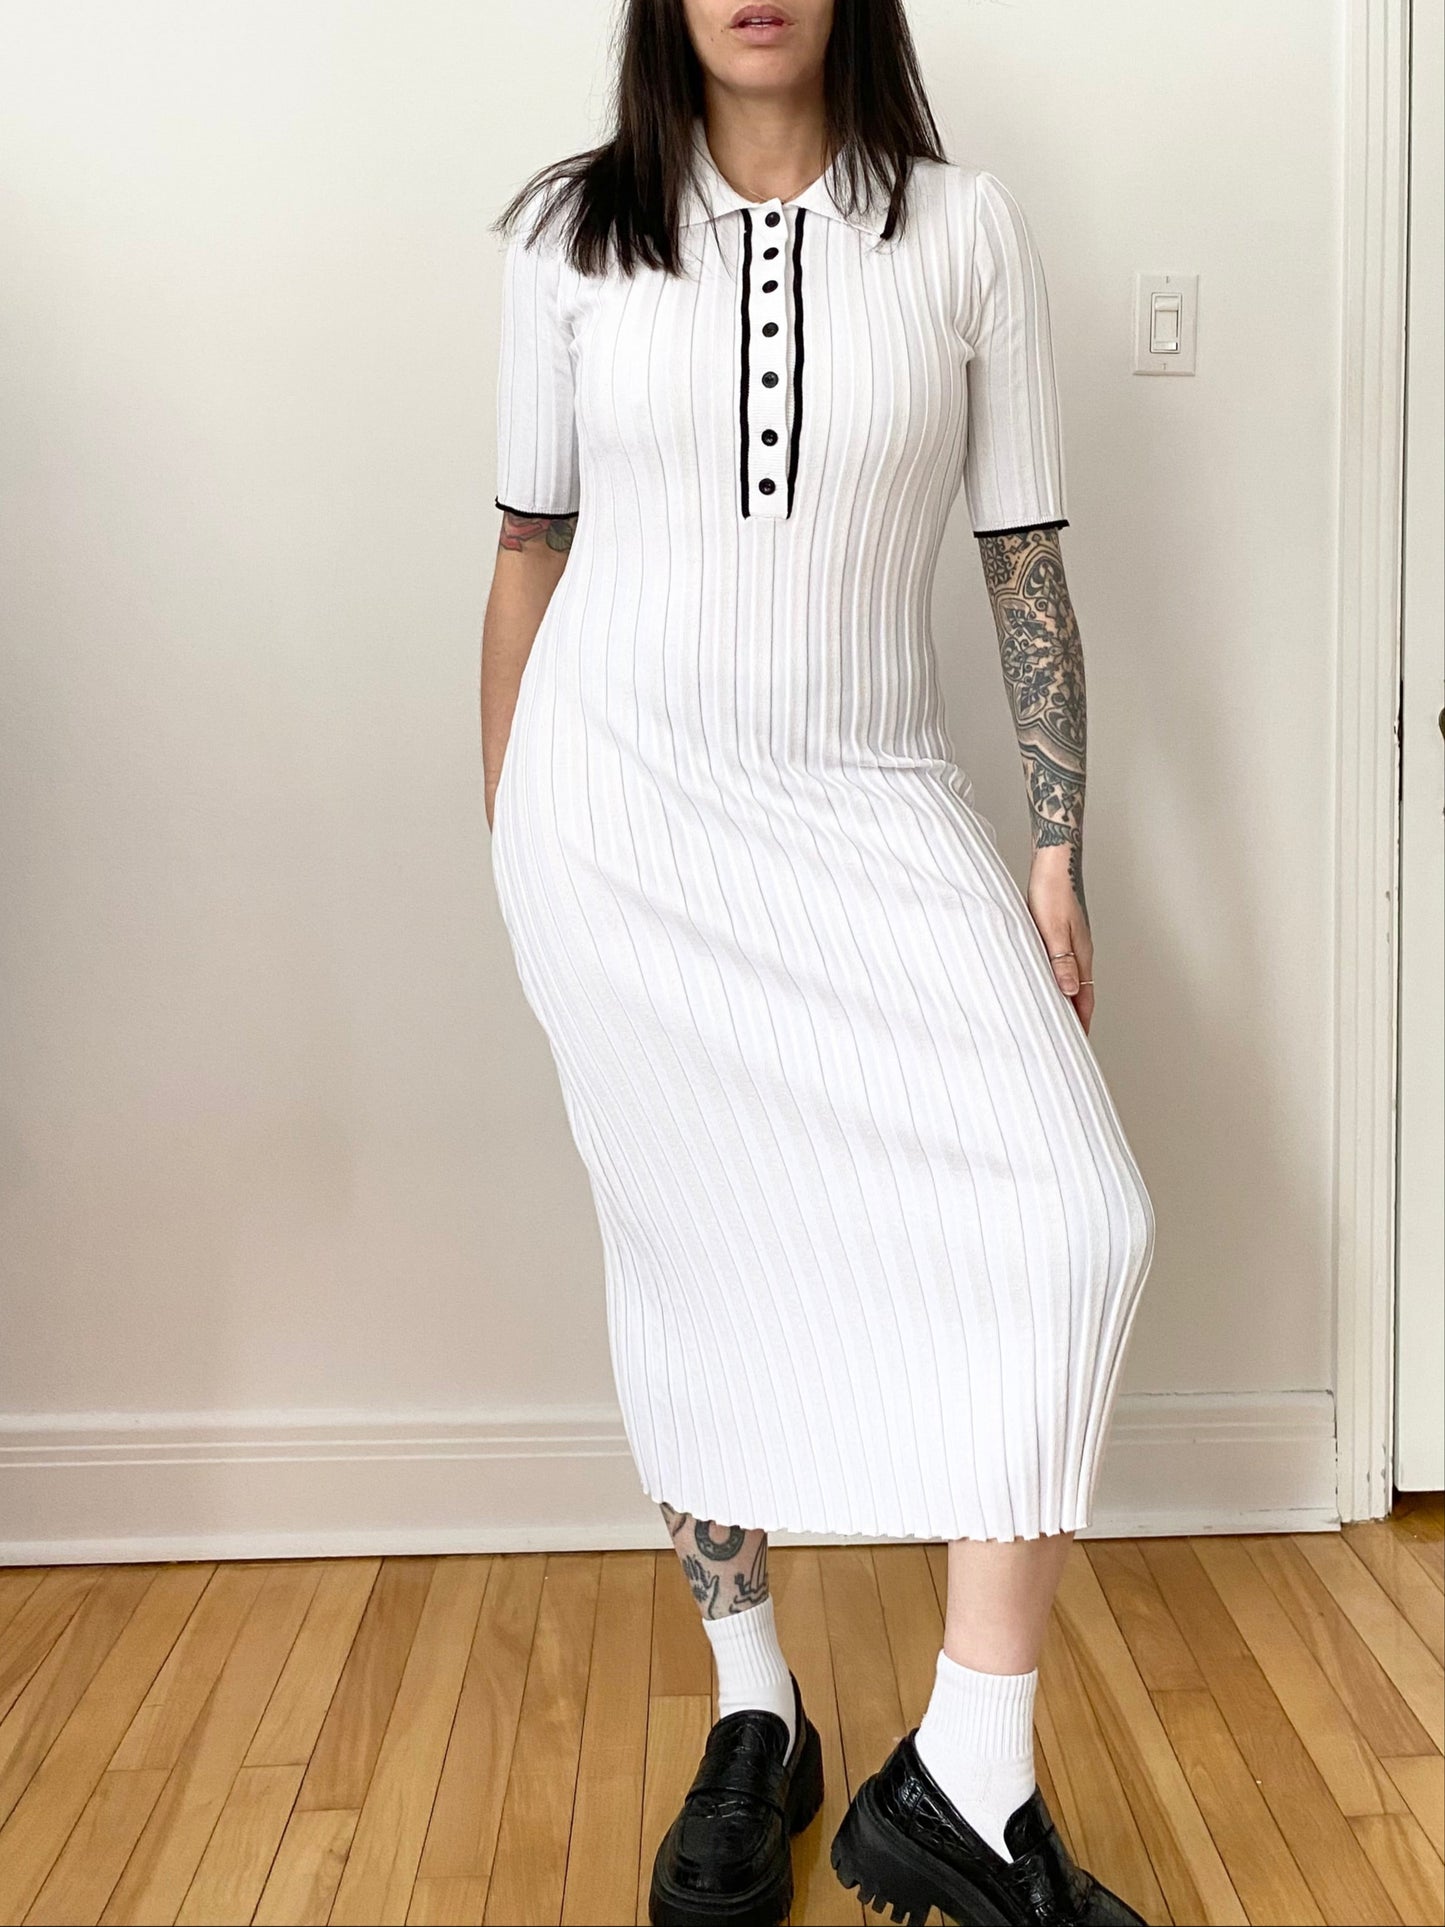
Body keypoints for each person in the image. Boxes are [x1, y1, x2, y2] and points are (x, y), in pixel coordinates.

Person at [481, 2, 1157, 1922]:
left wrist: (1055, 846)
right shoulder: (566, 236)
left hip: (870, 800)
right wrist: (515, 847)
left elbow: (1022, 565)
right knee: (686, 1254)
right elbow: (526, 550)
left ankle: (967, 1768)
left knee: (1073, 1222)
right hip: (616, 826)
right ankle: (752, 1707)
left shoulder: (960, 230)